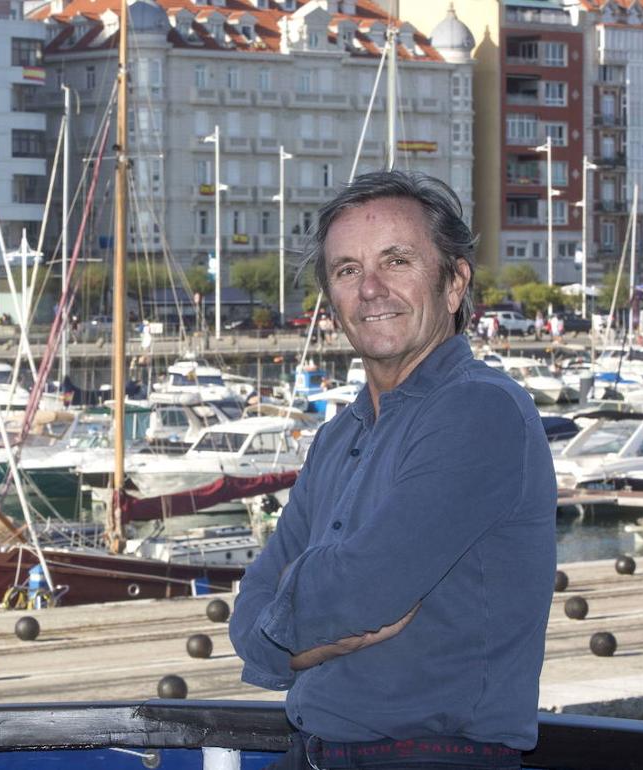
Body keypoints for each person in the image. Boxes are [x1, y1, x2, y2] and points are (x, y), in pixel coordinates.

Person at [230, 171, 556, 770]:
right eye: (348, 270)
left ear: (455, 282)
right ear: (332, 300)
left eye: (397, 260)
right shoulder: (337, 437)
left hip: (436, 758)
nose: (371, 289)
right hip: (312, 754)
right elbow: (250, 607)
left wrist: (300, 610)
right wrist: (303, 636)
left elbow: (362, 589)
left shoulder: (480, 411)